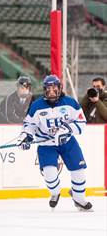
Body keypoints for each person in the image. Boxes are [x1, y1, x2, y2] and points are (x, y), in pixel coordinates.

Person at [17, 75, 92, 211]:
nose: (51, 91)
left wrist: (67, 131)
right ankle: (55, 193)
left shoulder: (70, 103)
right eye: (48, 88)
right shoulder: (36, 106)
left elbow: (81, 123)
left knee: (79, 171)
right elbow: (29, 124)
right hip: (46, 145)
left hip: (68, 143)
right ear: (44, 89)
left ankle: (79, 198)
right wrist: (26, 136)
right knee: (50, 174)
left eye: (54, 87)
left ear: (59, 88)